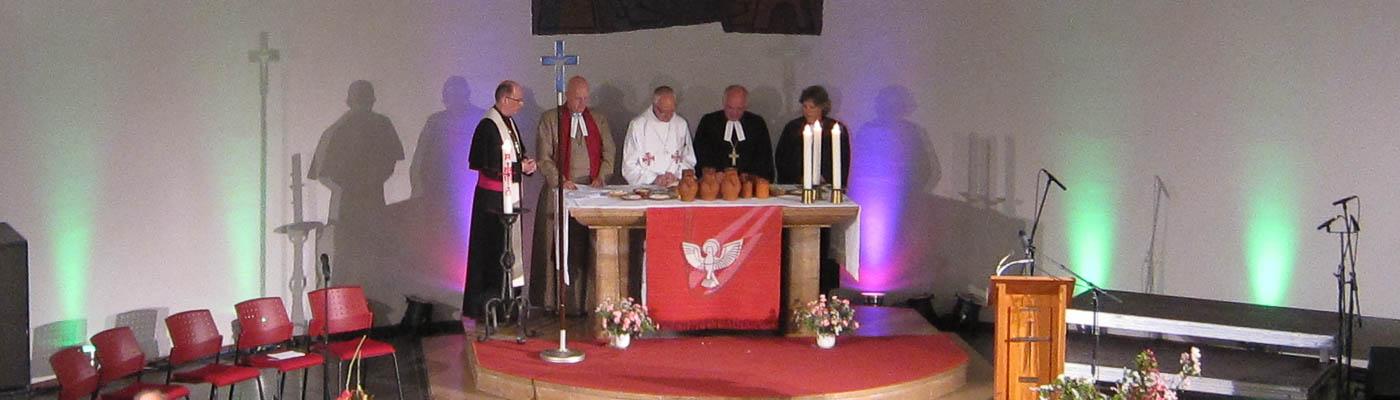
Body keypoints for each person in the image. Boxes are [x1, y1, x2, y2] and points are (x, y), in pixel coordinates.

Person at [530, 76, 616, 314]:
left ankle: (584, 303)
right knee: (556, 245)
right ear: (567, 95)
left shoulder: (598, 119)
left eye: (586, 98)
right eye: (578, 98)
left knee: (585, 247)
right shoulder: (550, 119)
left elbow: (609, 152)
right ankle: (555, 302)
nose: (582, 103)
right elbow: (544, 157)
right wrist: (560, 180)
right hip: (560, 191)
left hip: (591, 192)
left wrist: (602, 176)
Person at [463, 80, 537, 318]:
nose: (521, 105)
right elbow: (488, 164)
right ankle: (490, 306)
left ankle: (509, 303)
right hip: (491, 202)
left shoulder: (509, 123)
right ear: (505, 99)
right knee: (492, 252)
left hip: (510, 196)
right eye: (518, 100)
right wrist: (518, 168)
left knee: (509, 251)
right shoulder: (488, 125)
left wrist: (527, 164)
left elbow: (516, 153)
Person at [773, 85, 852, 295]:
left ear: (822, 108)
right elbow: (781, 158)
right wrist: (799, 178)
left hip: (823, 194)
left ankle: (822, 291)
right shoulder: (792, 128)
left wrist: (830, 179)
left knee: (822, 242)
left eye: (812, 107)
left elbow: (842, 160)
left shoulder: (835, 129)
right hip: (797, 191)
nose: (807, 111)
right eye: (805, 106)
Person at [692, 85, 774, 181]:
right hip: (717, 185)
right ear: (724, 103)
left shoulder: (757, 123)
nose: (734, 113)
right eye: (730, 108)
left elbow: (764, 158)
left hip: (749, 186)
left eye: (739, 109)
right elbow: (700, 154)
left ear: (746, 106)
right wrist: (714, 174)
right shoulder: (709, 122)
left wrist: (750, 176)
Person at [622, 86, 695, 186]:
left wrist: (676, 175)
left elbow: (689, 159)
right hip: (647, 188)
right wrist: (655, 178)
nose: (669, 116)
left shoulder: (681, 124)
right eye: (664, 112)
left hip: (675, 186)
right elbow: (629, 166)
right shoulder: (638, 126)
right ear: (655, 106)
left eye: (671, 111)